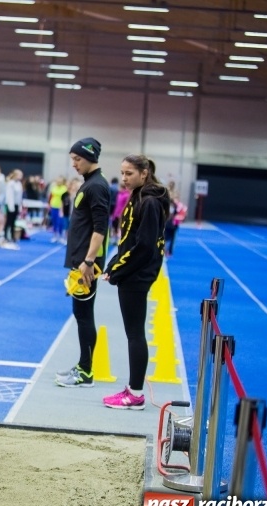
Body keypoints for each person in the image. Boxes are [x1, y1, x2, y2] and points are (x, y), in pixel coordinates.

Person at [102, 155, 170, 410]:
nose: (124, 178)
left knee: (134, 334)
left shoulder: (150, 201)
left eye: (129, 173)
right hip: (131, 271)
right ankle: (133, 388)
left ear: (144, 173)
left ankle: (135, 394)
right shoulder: (138, 196)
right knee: (133, 332)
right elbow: (129, 238)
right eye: (122, 173)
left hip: (138, 274)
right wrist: (113, 264)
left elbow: (144, 246)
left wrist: (119, 270)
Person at [55, 137, 110, 388]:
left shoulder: (97, 186)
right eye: (72, 159)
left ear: (89, 157)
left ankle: (86, 372)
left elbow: (100, 228)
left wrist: (88, 261)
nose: (74, 164)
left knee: (84, 315)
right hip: (81, 261)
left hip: (87, 264)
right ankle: (83, 366)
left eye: (77, 159)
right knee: (81, 314)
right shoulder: (90, 184)